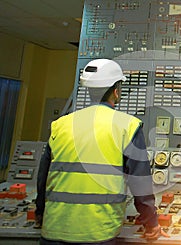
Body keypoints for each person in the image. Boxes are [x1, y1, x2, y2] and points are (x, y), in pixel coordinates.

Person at [35, 59, 169, 245]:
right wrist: (151, 223)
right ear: (116, 91)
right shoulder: (126, 126)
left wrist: (40, 213)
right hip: (98, 231)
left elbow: (43, 179)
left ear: (89, 90)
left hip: (55, 227)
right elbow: (140, 183)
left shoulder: (61, 125)